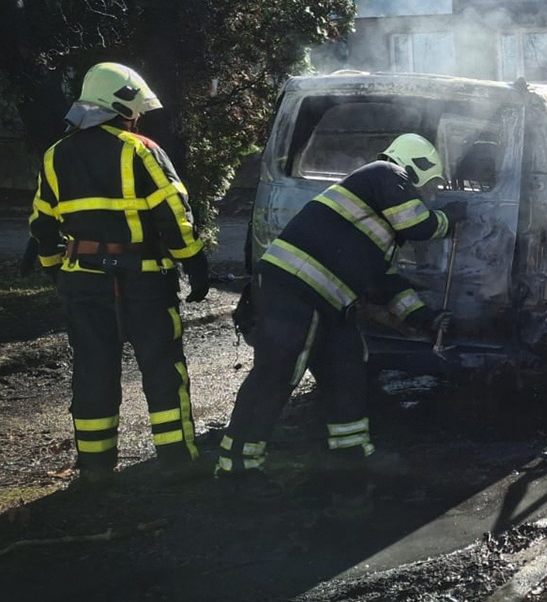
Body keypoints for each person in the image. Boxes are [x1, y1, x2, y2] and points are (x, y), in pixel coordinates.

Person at [216, 133, 466, 498]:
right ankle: (237, 468)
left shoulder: (378, 224)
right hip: (294, 291)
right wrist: (447, 220)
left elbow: (384, 284)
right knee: (277, 376)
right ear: (415, 167)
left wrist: (425, 318)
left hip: (327, 302)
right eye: (428, 186)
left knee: (347, 368)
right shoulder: (383, 172)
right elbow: (419, 224)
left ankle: (351, 456)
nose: (427, 195)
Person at [26, 62, 212, 489]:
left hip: (83, 283)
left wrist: (55, 270)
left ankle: (95, 467)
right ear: (121, 105)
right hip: (144, 281)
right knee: (163, 368)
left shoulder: (56, 155)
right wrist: (195, 263)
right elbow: (173, 213)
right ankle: (177, 460)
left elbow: (42, 224)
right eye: (136, 110)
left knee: (93, 369)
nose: (138, 117)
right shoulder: (140, 150)